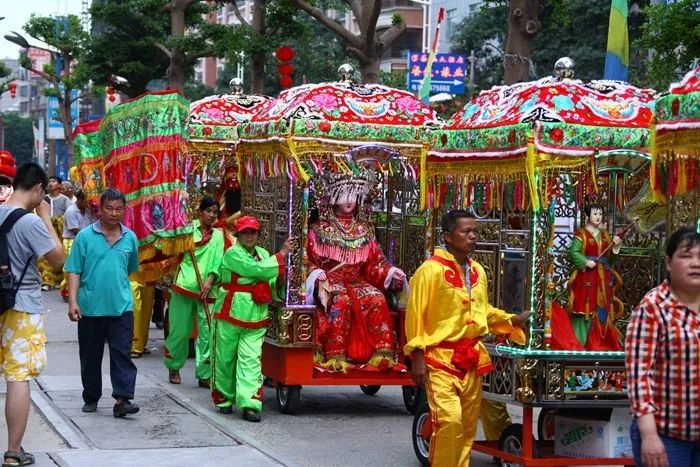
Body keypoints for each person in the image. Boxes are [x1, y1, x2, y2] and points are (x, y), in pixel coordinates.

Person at [405, 209, 530, 467]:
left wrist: (510, 321)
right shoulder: (429, 271)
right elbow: (415, 314)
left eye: (475, 231)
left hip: (472, 358)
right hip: (440, 358)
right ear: (448, 237)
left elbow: (481, 311)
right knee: (448, 421)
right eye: (466, 231)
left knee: (466, 426)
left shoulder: (478, 271)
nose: (473, 236)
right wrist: (417, 355)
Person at [305, 173, 405, 372]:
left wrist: (391, 272)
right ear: (333, 196)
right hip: (329, 281)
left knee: (376, 299)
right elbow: (306, 260)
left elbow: (375, 262)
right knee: (341, 301)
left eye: (353, 195)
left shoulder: (364, 229)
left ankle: (380, 355)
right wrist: (316, 274)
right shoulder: (319, 228)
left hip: (357, 281)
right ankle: (334, 355)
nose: (349, 201)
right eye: (344, 195)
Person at [0, 163, 64, 467]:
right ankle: (14, 451)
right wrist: (47, 219)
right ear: (38, 188)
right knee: (18, 377)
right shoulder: (31, 222)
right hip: (21, 306)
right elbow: (58, 261)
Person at [625, 227, 700, 467]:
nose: (695, 264)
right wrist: (649, 436)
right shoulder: (653, 307)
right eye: (686, 256)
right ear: (668, 262)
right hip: (665, 436)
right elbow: (639, 377)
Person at [65, 188, 141, 418]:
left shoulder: (130, 238)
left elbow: (130, 269)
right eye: (109, 208)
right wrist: (73, 301)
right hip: (90, 308)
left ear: (124, 210)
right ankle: (91, 395)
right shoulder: (85, 237)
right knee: (90, 356)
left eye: (119, 209)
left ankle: (122, 398)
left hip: (121, 308)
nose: (114, 213)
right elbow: (74, 270)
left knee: (122, 353)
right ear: (100, 208)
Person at [210, 216, 292, 422]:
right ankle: (225, 399)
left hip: (256, 315)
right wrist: (280, 256)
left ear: (258, 234)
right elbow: (255, 270)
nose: (249, 236)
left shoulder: (264, 254)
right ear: (238, 235)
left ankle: (250, 404)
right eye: (245, 232)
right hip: (231, 313)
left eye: (253, 232)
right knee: (225, 358)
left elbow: (270, 278)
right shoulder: (232, 254)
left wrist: (280, 275)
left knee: (251, 360)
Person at [164, 196, 223, 387]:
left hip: (209, 288)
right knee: (180, 330)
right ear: (201, 211)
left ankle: (204, 374)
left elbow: (218, 260)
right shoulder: (187, 229)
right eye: (208, 211)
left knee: (207, 332)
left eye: (215, 212)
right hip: (185, 284)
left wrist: (210, 280)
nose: (211, 215)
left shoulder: (219, 236)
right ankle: (174, 366)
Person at [567, 203, 623, 350]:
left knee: (603, 309)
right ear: (588, 216)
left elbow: (611, 260)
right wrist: (585, 261)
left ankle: (603, 342)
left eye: (600, 214)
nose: (598, 217)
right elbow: (573, 252)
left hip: (603, 278)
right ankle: (581, 343)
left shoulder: (605, 235)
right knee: (584, 307)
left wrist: (616, 246)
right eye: (595, 214)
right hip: (587, 277)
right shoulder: (581, 234)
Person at [59, 189, 93, 301]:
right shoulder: (71, 211)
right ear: (79, 199)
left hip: (85, 240)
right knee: (71, 268)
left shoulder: (88, 210)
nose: (87, 203)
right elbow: (74, 229)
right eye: (86, 201)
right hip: (71, 241)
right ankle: (67, 292)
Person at [40, 175, 72, 291]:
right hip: (46, 231)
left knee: (61, 255)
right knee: (45, 256)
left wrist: (58, 219)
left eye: (53, 181)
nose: (51, 183)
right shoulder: (44, 199)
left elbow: (70, 215)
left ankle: (59, 280)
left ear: (59, 184)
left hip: (60, 233)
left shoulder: (65, 200)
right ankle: (47, 280)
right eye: (49, 181)